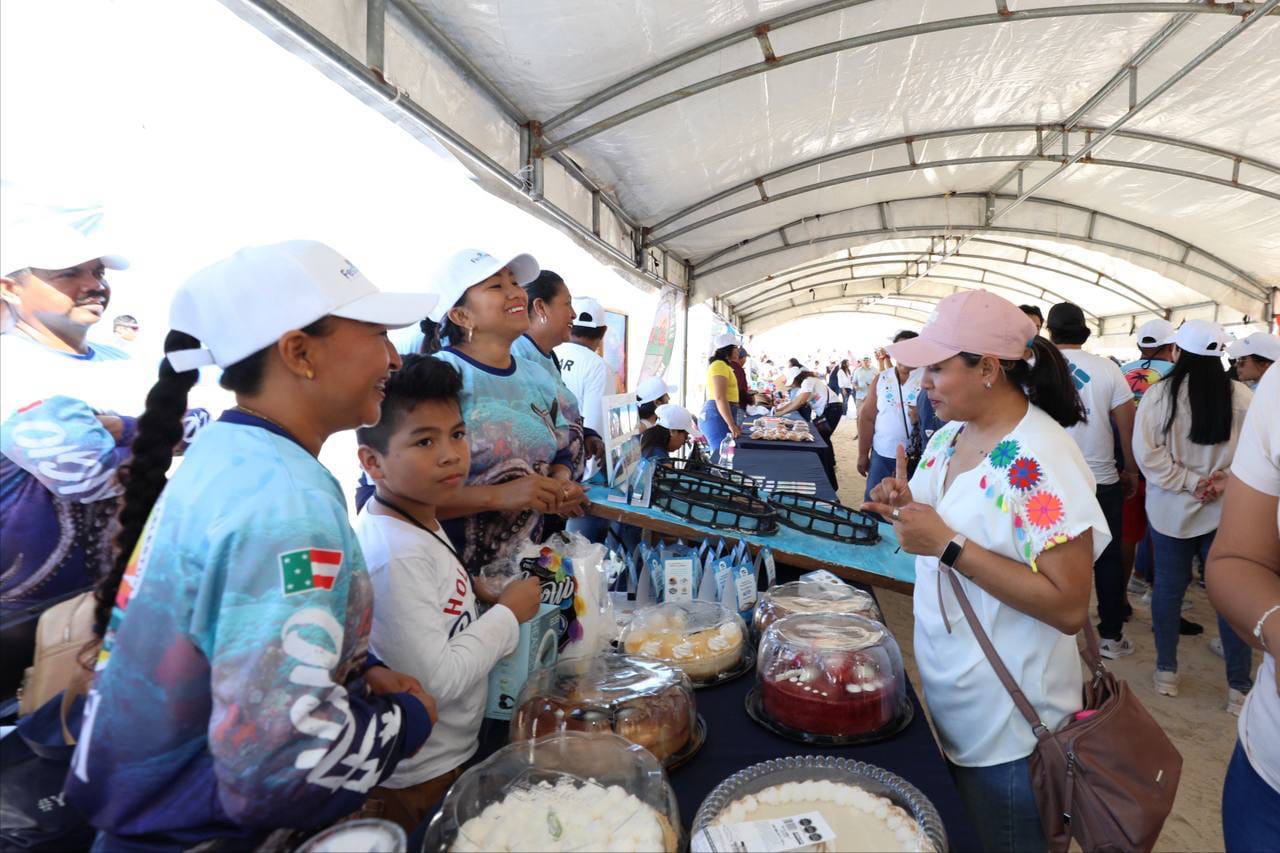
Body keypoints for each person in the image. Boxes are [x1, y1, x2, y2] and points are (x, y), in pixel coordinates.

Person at [65, 241, 440, 850]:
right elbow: (277, 770)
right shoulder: (286, 505)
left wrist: (362, 667)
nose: (394, 357)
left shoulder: (233, 453)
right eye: (376, 334)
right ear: (299, 352)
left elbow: (233, 625)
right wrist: (408, 721)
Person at [864, 290, 1103, 853]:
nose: (923, 382)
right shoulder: (949, 436)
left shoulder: (1038, 459)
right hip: (957, 701)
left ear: (989, 369)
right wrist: (904, 503)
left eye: (938, 368)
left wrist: (947, 545)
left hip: (1013, 727)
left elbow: (1069, 604)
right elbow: (940, 519)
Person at [354, 354, 543, 832]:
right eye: (424, 441)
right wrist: (508, 615)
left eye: (457, 434)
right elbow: (434, 683)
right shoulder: (395, 555)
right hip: (423, 775)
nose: (450, 455)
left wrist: (476, 596)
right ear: (373, 462)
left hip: (453, 752)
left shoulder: (417, 514)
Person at [422, 249, 587, 572]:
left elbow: (560, 449)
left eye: (514, 282)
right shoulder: (438, 378)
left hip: (520, 573)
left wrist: (560, 482)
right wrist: (501, 495)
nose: (516, 293)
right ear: (461, 316)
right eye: (496, 286)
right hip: (449, 575)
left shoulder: (537, 376)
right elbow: (401, 496)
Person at [1134, 319, 1254, 708]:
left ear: (1177, 351)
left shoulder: (1159, 396)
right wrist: (1222, 481)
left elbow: (1148, 455)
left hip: (1170, 511)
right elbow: (1259, 453)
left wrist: (1188, 482)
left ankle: (1166, 672)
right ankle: (1239, 688)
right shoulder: (1241, 396)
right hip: (1223, 512)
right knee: (1229, 597)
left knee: (1168, 589)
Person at [1206, 361, 1280, 849]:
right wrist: (1275, 625)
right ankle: (1235, 682)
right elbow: (1238, 560)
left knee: (1165, 586)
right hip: (1269, 773)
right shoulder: (1261, 394)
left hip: (1177, 501)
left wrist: (1177, 480)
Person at [1046, 302, 1140, 659]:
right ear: (1083, 332)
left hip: (1049, 481)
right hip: (1100, 480)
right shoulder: (1107, 369)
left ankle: (1053, 632)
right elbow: (1127, 426)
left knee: (1048, 553)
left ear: (1050, 332)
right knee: (1108, 557)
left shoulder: (1035, 367)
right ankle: (1110, 636)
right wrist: (1130, 469)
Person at [858, 331, 923, 502]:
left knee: (908, 505)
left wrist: (922, 415)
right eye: (901, 349)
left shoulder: (929, 378)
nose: (906, 354)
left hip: (917, 457)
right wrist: (863, 454)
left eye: (911, 349)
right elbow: (867, 417)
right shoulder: (881, 378)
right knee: (873, 502)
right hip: (882, 454)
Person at [555, 296, 613, 443]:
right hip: (575, 451)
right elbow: (595, 426)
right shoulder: (598, 367)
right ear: (603, 331)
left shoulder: (550, 352)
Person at [701, 332, 742, 459]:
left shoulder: (724, 366)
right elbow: (720, 397)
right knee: (721, 457)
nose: (738, 351)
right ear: (728, 349)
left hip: (721, 413)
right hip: (716, 414)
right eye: (736, 348)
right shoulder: (719, 365)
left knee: (725, 455)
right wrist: (731, 424)